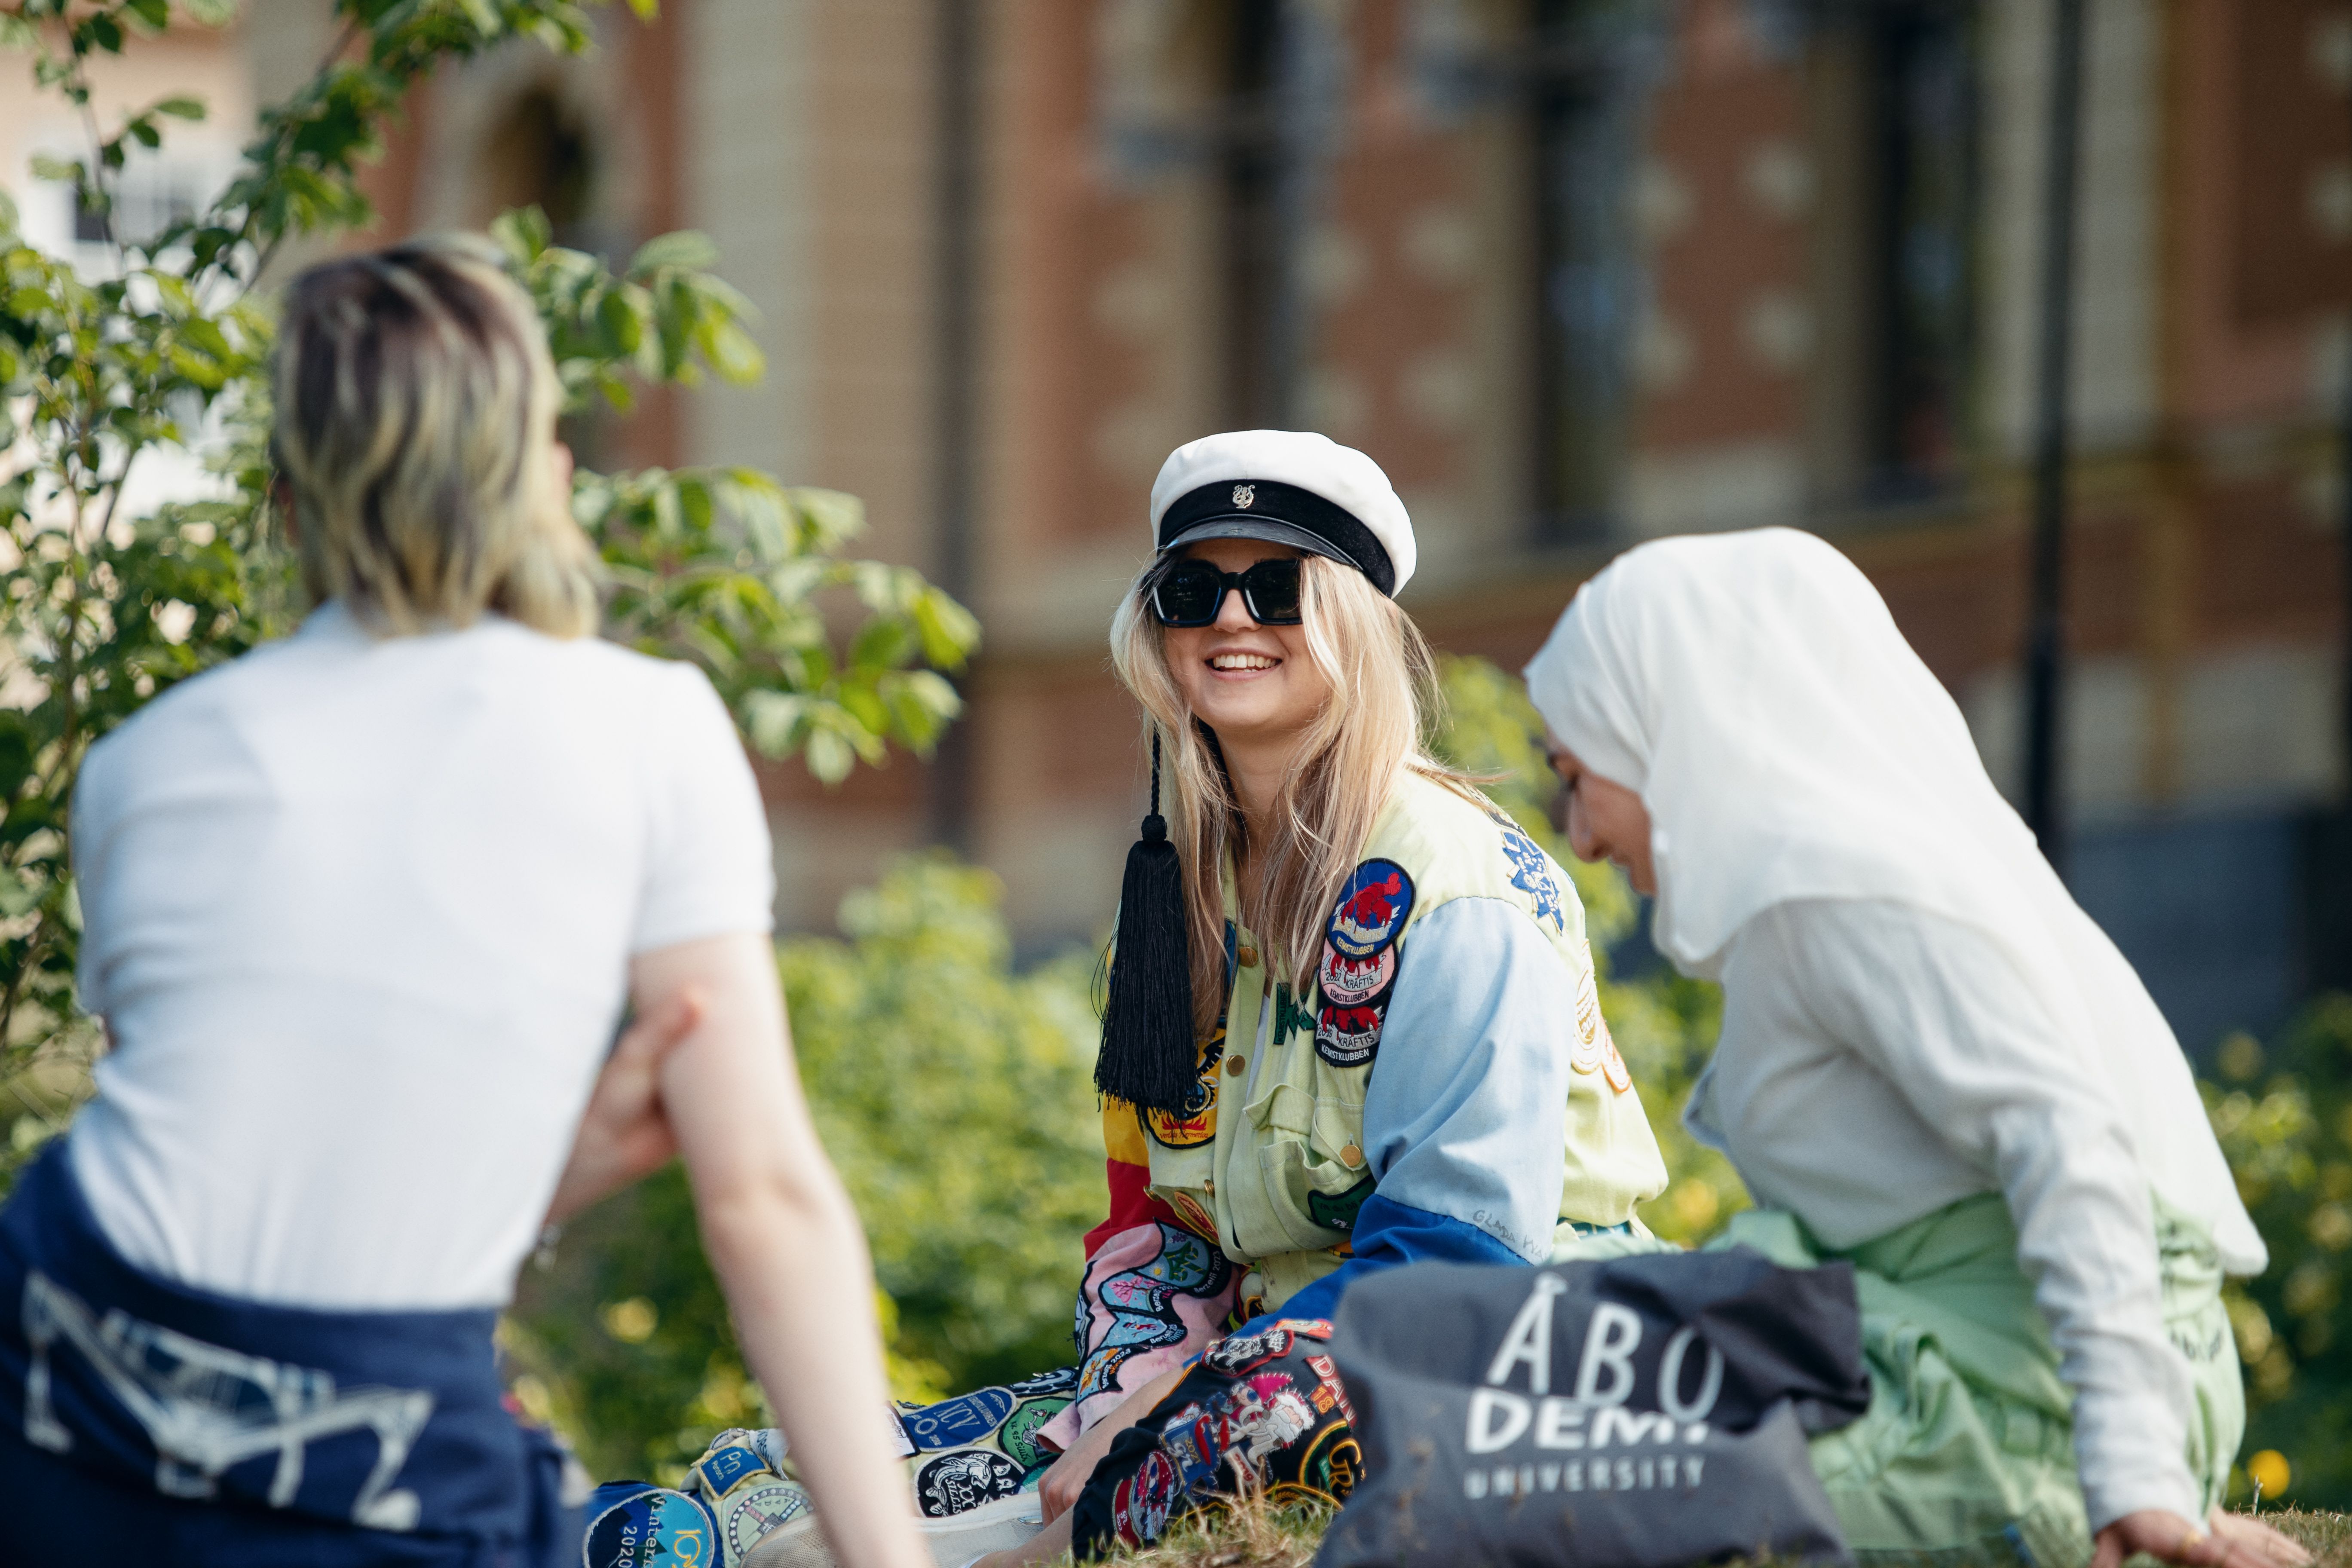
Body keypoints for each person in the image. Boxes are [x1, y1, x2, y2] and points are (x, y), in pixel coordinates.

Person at [0, 238, 929, 1568]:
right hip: (374, 1449)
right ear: (545, 479)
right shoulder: (644, 728)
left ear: (287, 503)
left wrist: (545, 1178)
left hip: (62, 1389)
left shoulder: (144, 761)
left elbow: (251, 1176)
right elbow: (762, 1201)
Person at [943, 429, 1670, 1565]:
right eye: (1194, 591)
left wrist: (1155, 1427)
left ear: (1353, 623)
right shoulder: (1177, 899)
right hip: (1251, 1370)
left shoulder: (1447, 880)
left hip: (1498, 1363)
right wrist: (1121, 1399)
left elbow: (1458, 1261)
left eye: (1276, 587)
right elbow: (1155, 1235)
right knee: (771, 1498)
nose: (1232, 621)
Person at [1520, 527, 2312, 1568]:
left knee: (1572, 1503)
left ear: (1669, 730)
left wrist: (2138, 1473)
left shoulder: (1849, 891)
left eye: (1579, 776)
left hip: (2025, 1397)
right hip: (1949, 1354)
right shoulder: (1803, 895)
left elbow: (2070, 1144)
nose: (1577, 832)